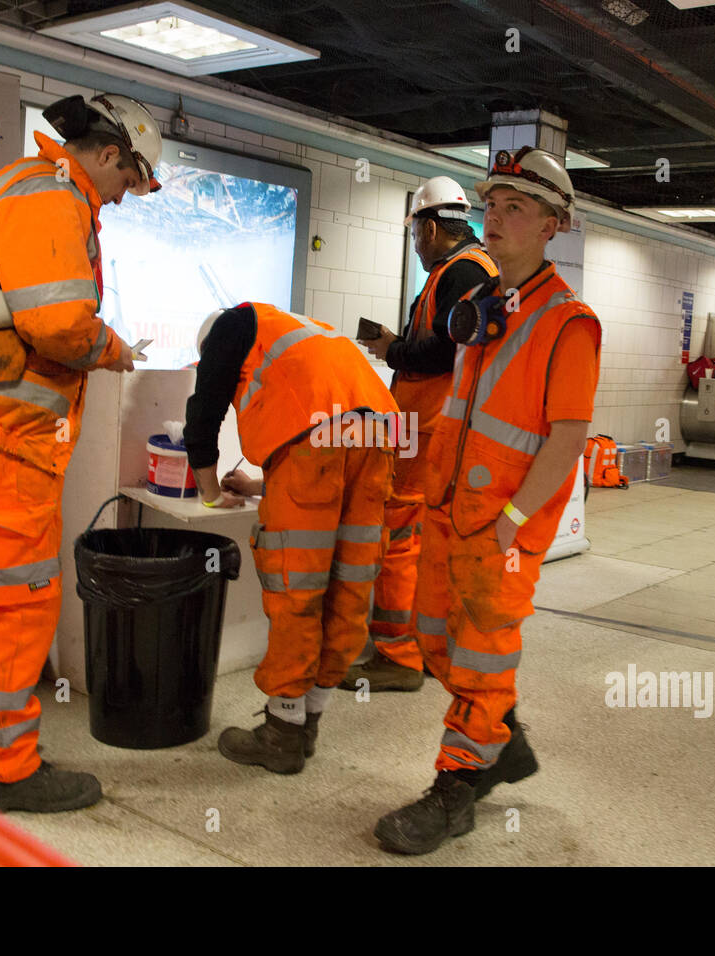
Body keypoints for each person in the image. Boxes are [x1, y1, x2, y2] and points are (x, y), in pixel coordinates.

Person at [0, 93, 161, 812]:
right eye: (129, 181)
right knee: (21, 598)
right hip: (8, 435)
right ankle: (5, 765)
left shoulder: (14, 183)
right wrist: (112, 350)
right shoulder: (54, 198)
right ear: (110, 155)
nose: (124, 198)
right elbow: (56, 322)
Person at [373, 147, 601, 854]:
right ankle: (503, 738)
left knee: (482, 657)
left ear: (552, 226)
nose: (496, 220)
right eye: (492, 206)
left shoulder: (570, 323)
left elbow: (567, 439)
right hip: (449, 512)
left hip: (500, 527)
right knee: (434, 640)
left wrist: (511, 523)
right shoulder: (483, 306)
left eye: (517, 209)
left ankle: (456, 787)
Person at [184, 302, 397, 774]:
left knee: (296, 586)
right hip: (382, 433)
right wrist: (264, 486)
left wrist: (212, 494)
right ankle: (308, 721)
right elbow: (336, 441)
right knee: (350, 582)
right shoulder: (302, 327)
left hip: (314, 446)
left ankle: (282, 732)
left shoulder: (228, 327)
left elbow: (202, 416)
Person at [342, 177, 497, 693]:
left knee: (401, 534)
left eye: (414, 233)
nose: (415, 243)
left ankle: (398, 655)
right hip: (444, 426)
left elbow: (442, 352)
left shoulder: (462, 272)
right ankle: (433, 646)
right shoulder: (474, 272)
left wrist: (392, 350)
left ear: (431, 228)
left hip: (426, 427)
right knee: (437, 539)